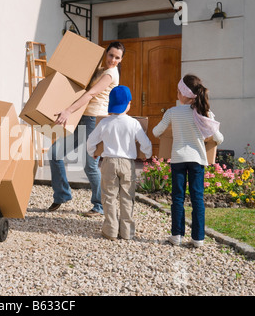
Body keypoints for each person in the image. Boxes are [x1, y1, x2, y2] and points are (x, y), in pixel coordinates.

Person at [48, 42, 125, 217]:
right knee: (54, 153)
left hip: (94, 121)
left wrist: (68, 111)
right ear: (106, 53)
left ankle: (100, 205)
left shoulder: (110, 74)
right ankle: (62, 194)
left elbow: (90, 94)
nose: (112, 60)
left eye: (117, 57)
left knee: (89, 165)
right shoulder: (100, 69)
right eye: (111, 55)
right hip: (82, 118)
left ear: (121, 60)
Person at [152, 74, 223, 248]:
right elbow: (219, 138)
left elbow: (155, 132)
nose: (177, 93)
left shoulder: (172, 112)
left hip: (178, 159)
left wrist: (171, 129)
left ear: (185, 93)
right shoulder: (205, 113)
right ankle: (198, 238)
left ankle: (176, 235)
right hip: (198, 160)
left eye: (178, 91)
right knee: (197, 198)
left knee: (177, 198)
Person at [87, 85, 152, 240]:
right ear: (129, 103)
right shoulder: (133, 123)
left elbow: (91, 141)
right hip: (128, 163)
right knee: (127, 197)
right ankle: (127, 231)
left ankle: (110, 230)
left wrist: (93, 153)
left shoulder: (104, 123)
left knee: (109, 197)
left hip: (109, 162)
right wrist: (146, 155)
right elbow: (146, 143)